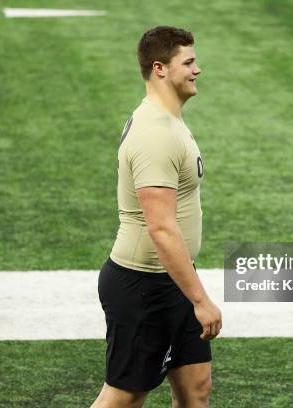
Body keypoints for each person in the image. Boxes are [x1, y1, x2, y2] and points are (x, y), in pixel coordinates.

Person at [92, 26, 222, 406]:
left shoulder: (168, 119)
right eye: (189, 62)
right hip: (144, 287)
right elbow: (161, 228)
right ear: (160, 68)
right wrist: (200, 300)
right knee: (125, 398)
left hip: (172, 280)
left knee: (196, 388)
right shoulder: (156, 133)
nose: (197, 69)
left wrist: (189, 290)